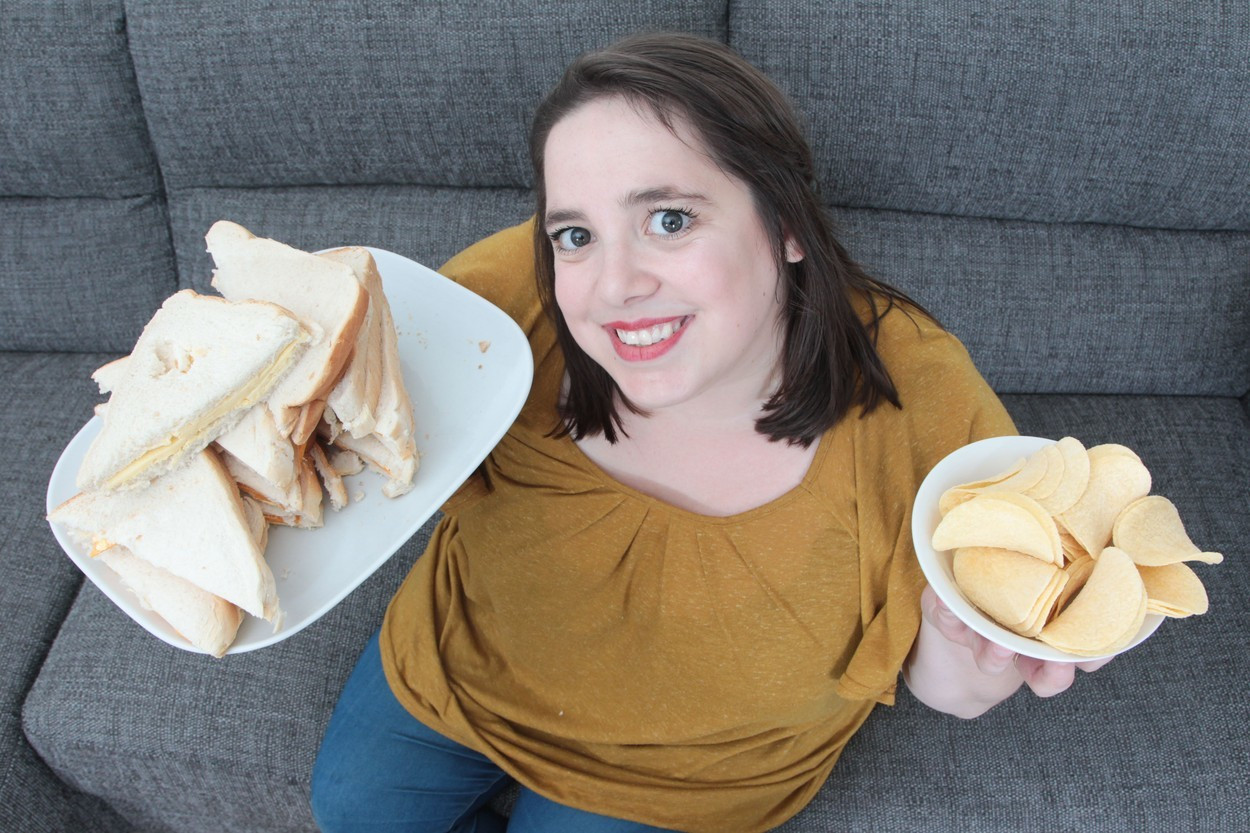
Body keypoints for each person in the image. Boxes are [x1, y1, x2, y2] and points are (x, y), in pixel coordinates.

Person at [310, 32, 1107, 833]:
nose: (615, 286)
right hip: (468, 667)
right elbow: (361, 411)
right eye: (576, 235)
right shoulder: (502, 304)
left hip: (692, 771)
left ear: (786, 224)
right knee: (350, 813)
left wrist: (972, 646)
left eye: (669, 219)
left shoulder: (922, 403)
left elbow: (948, 687)